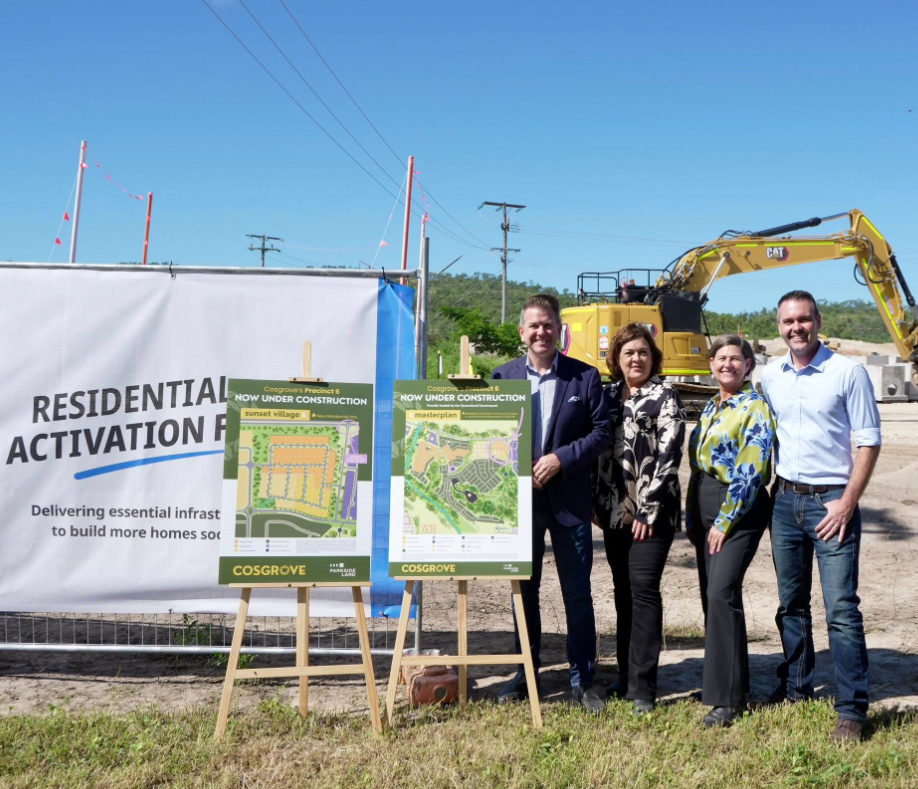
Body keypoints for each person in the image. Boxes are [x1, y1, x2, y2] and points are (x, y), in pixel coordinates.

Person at [761, 290, 881, 743]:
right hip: (784, 501)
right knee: (790, 604)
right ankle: (796, 688)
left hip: (832, 502)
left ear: (818, 321)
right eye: (788, 321)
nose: (797, 327)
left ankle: (851, 709)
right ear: (779, 326)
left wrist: (847, 501)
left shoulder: (847, 372)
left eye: (804, 319)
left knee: (841, 610)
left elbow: (868, 441)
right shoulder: (770, 375)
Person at [492, 293, 612, 713]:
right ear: (522, 331)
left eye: (548, 325)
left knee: (576, 593)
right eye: (534, 325)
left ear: (560, 330)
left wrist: (561, 458)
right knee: (523, 592)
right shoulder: (502, 377)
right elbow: (488, 435)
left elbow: (601, 433)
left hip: (569, 501)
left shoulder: (585, 376)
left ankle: (582, 679)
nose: (541, 332)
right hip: (519, 504)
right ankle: (525, 675)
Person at [593, 323, 686, 714]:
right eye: (629, 352)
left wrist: (648, 509)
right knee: (623, 592)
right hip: (614, 512)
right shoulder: (605, 396)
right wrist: (596, 506)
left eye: (643, 352)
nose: (636, 358)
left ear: (653, 357)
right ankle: (625, 675)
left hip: (654, 513)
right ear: (616, 358)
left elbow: (670, 454)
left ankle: (643, 687)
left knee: (644, 591)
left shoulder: (665, 395)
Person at [686, 336, 775, 727]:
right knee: (713, 597)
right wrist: (693, 516)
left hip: (738, 508)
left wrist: (724, 521)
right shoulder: (712, 404)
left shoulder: (754, 407)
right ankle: (723, 684)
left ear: (748, 365)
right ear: (710, 364)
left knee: (721, 593)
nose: (727, 364)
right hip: (705, 502)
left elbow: (751, 470)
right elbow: (698, 465)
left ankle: (727, 700)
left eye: (735, 358)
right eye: (721, 358)